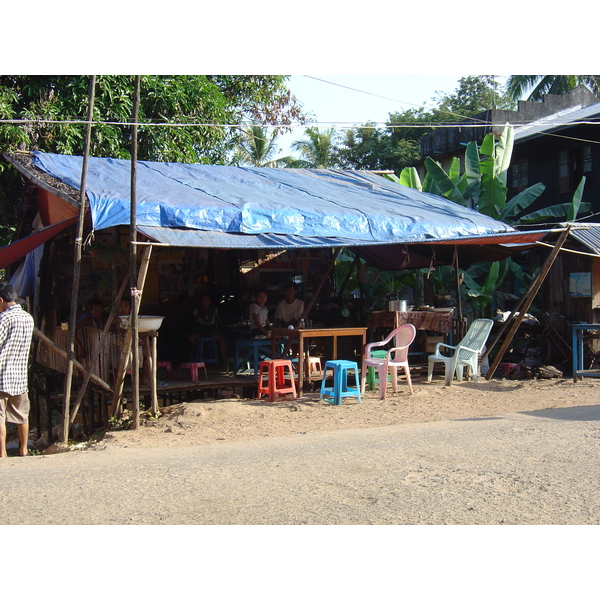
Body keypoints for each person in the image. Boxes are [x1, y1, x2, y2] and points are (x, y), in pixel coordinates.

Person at [0, 283, 34, 458]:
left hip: (2, 375)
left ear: (1, 300)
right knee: (22, 415)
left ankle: (2, 453)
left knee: (0, 416)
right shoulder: (28, 318)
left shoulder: (3, 319)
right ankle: (24, 450)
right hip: (20, 376)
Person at [188, 294, 227, 366]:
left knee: (222, 339)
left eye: (208, 300)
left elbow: (218, 320)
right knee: (190, 339)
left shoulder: (214, 310)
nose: (206, 302)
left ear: (210, 301)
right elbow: (195, 321)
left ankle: (224, 360)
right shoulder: (197, 310)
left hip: (211, 330)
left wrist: (224, 326)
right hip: (200, 330)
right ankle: (200, 351)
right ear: (201, 302)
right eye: (204, 300)